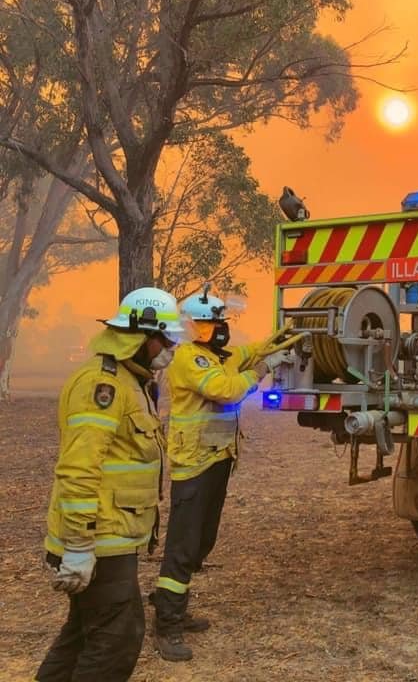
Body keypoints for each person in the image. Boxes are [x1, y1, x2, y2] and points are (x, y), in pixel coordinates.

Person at [36, 287, 183, 682]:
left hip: (109, 538)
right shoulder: (102, 388)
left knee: (82, 638)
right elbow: (78, 470)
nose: (170, 349)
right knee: (116, 639)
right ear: (143, 335)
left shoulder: (130, 381)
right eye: (166, 340)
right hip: (98, 542)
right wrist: (81, 546)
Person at [152, 287, 292, 661]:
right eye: (214, 323)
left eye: (221, 322)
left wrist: (281, 338)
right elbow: (227, 390)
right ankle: (167, 624)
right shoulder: (192, 361)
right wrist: (265, 368)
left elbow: (246, 353)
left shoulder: (216, 355)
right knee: (183, 546)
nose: (220, 329)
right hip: (194, 463)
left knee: (201, 541)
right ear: (196, 328)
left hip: (215, 459)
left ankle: (176, 606)